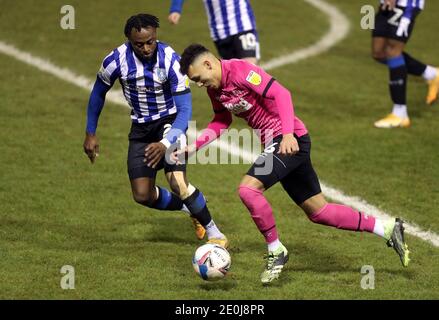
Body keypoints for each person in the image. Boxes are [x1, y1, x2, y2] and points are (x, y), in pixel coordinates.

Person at [178, 44, 410, 285]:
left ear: (208, 64)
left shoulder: (241, 71)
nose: (198, 84)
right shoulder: (216, 90)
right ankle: (386, 227)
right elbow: (221, 120)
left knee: (248, 190)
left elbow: (281, 94)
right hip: (281, 143)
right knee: (320, 212)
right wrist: (195, 146)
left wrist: (288, 135)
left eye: (198, 78)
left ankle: (276, 250)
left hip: (289, 139)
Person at [82, 14, 228, 248]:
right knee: (142, 195)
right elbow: (98, 92)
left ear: (155, 37)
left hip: (170, 123)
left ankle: (215, 233)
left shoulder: (171, 60)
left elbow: (184, 111)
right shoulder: (115, 60)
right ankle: (187, 207)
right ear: (129, 40)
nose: (146, 48)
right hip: (141, 129)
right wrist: (91, 132)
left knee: (177, 181)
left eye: (150, 41)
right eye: (139, 44)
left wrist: (165, 142)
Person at [372, 0, 439, 128]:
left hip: (406, 5)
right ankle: (432, 74)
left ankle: (400, 114)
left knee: (393, 51)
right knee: (379, 52)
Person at [168, 0, 259, 64]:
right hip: (220, 32)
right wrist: (175, 9)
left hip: (243, 25)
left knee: (251, 68)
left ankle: (267, 90)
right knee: (234, 75)